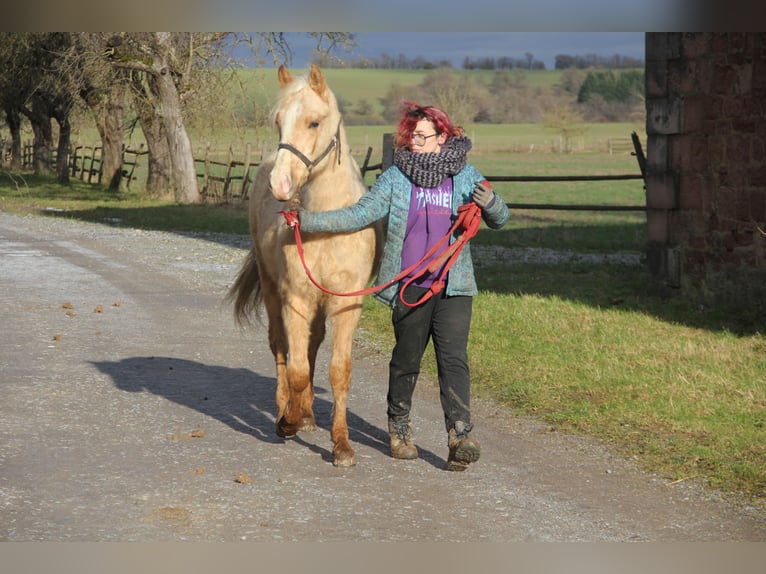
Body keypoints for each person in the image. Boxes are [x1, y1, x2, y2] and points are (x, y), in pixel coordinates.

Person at [295, 100, 510, 471]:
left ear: (442, 137)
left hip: (453, 286)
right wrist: (307, 221)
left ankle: (459, 435)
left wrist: (490, 203)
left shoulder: (466, 175)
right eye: (410, 137)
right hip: (410, 285)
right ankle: (399, 429)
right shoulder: (397, 177)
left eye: (421, 137)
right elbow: (361, 213)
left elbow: (502, 218)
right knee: (407, 361)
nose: (413, 143)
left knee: (453, 360)